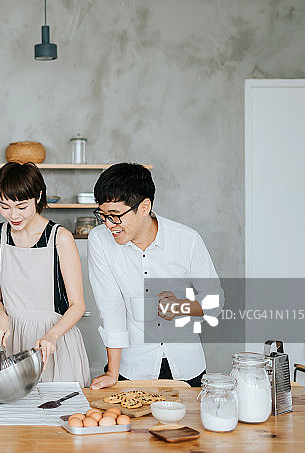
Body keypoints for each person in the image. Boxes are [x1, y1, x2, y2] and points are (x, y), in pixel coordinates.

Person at [87, 163, 224, 389]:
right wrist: (112, 372)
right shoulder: (100, 240)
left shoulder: (186, 240)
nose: (109, 225)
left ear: (144, 206)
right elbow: (111, 307)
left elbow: (215, 300)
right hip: (132, 366)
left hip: (186, 365)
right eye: (102, 215)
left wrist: (180, 307)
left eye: (116, 216)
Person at [0, 162, 91, 386]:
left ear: (38, 197)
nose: (13, 215)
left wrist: (52, 335)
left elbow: (77, 305)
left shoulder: (59, 238)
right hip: (12, 340)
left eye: (22, 207)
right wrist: (0, 316)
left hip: (54, 341)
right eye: (4, 206)